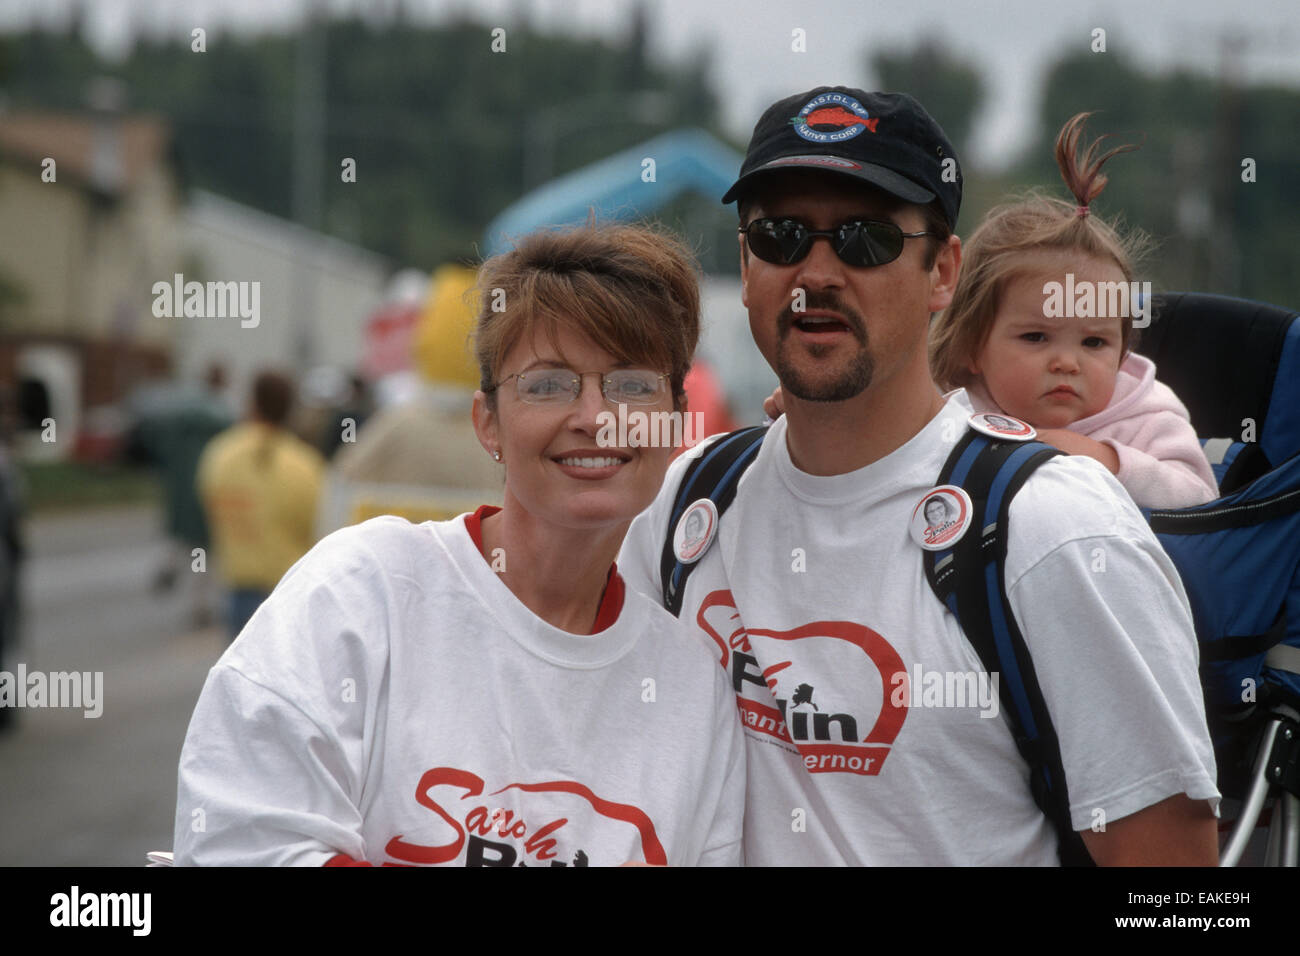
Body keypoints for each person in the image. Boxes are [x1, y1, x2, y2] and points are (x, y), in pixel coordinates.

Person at [618, 86, 1220, 865]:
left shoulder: (1054, 528)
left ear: (944, 273)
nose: (817, 271)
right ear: (744, 260)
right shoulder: (689, 496)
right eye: (781, 235)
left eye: (866, 239)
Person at [173, 222, 744, 867]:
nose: (594, 416)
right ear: (488, 423)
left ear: (674, 419)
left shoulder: (694, 691)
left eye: (633, 384)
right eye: (548, 384)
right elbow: (239, 841)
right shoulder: (360, 597)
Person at [928, 113, 1217, 510]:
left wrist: (1107, 460)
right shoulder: (949, 412)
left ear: (1121, 353)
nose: (1066, 362)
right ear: (972, 345)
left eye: (1094, 342)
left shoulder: (1147, 415)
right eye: (1036, 336)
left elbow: (1201, 498)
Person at [196, 371, 325, 639]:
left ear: (252, 403)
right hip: (290, 591)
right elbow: (321, 529)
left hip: (238, 587)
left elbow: (208, 503)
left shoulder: (220, 454)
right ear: (290, 409)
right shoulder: (305, 465)